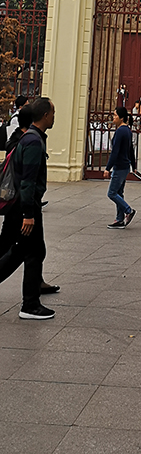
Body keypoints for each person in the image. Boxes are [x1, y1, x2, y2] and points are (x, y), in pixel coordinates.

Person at [0, 97, 56, 320]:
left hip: (25, 207)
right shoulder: (33, 141)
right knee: (26, 254)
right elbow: (27, 181)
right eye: (53, 113)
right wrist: (28, 214)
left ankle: (32, 302)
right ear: (45, 115)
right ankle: (30, 305)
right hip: (25, 208)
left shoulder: (31, 137)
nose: (54, 117)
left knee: (33, 251)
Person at [103, 107, 137, 229]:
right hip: (125, 166)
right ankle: (119, 219)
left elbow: (115, 152)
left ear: (121, 118)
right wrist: (134, 165)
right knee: (119, 193)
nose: (113, 117)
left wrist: (108, 168)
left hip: (120, 166)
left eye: (115, 115)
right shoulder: (127, 130)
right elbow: (131, 149)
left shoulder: (120, 131)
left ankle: (128, 210)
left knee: (112, 193)